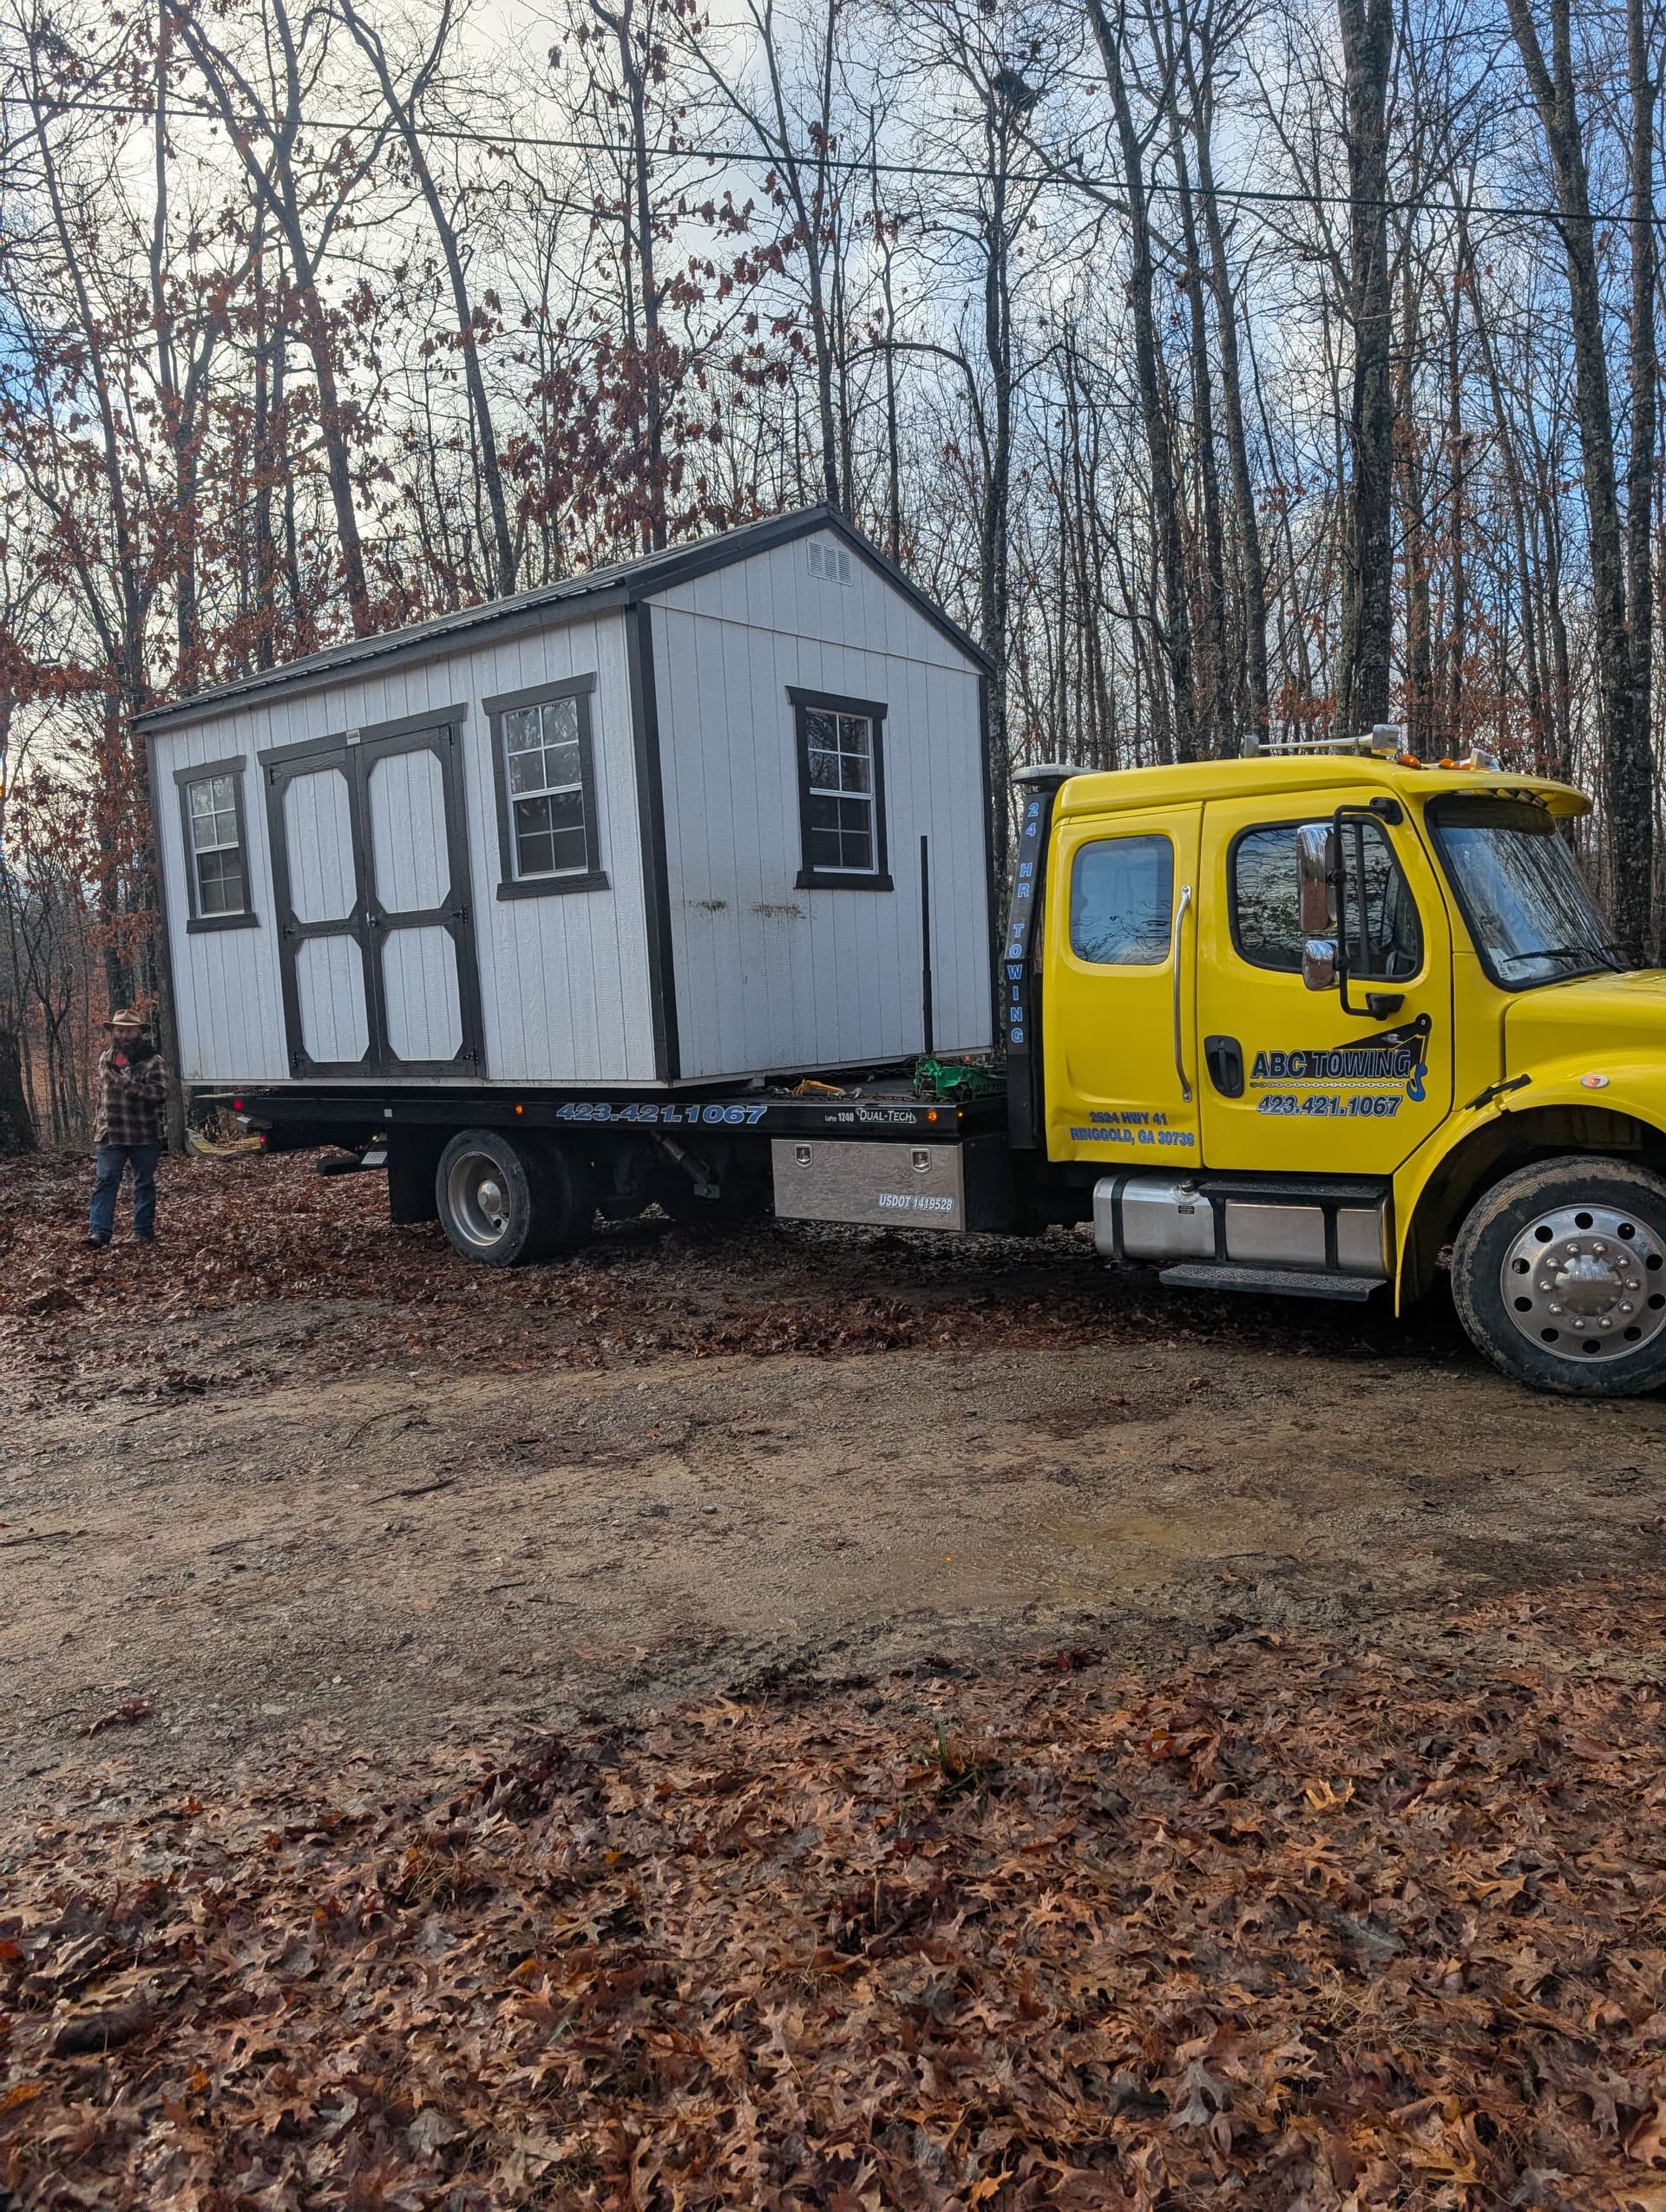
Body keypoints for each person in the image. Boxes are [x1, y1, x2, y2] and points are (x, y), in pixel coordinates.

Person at [89, 1009, 168, 1248]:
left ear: (139, 1033)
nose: (124, 1035)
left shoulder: (154, 1062)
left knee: (143, 1183)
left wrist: (128, 1084)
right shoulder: (106, 1057)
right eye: (120, 1030)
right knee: (105, 1181)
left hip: (144, 1134)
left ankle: (143, 1230)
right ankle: (99, 1232)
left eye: (129, 1031)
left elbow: (161, 1093)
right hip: (109, 1133)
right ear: (113, 1031)